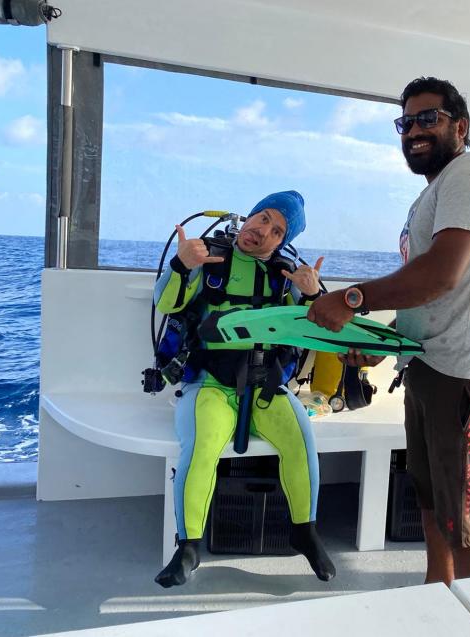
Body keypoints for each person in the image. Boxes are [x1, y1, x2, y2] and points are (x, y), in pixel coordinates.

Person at [308, 77, 470, 585]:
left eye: (429, 119)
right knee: (432, 502)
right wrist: (388, 343)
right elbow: (440, 295)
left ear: (459, 127)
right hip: (428, 366)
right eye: (406, 122)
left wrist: (352, 299)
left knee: (466, 519)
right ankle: (437, 601)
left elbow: (440, 273)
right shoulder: (433, 193)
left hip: (464, 374)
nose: (414, 130)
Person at [153, 190, 336, 586]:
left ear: (283, 243)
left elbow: (316, 330)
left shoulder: (284, 275)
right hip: (210, 384)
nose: (263, 230)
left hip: (265, 385)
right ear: (249, 216)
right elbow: (165, 304)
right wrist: (182, 266)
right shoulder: (209, 257)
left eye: (276, 230)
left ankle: (304, 532)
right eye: (263, 218)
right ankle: (188, 548)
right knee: (200, 448)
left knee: (302, 442)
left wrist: (313, 295)